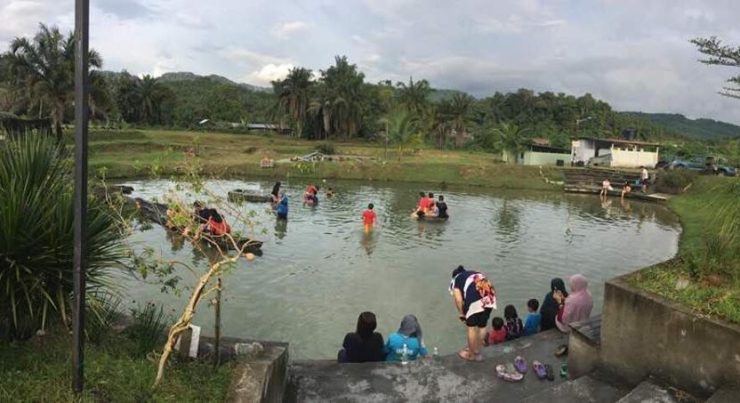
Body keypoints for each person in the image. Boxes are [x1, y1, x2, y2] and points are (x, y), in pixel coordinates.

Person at [449, 265, 497, 361]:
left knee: (471, 327)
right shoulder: (475, 273)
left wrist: (462, 313)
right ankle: (476, 349)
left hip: (475, 300)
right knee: (482, 326)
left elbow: (458, 299)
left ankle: (470, 354)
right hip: (490, 297)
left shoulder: (456, 280)